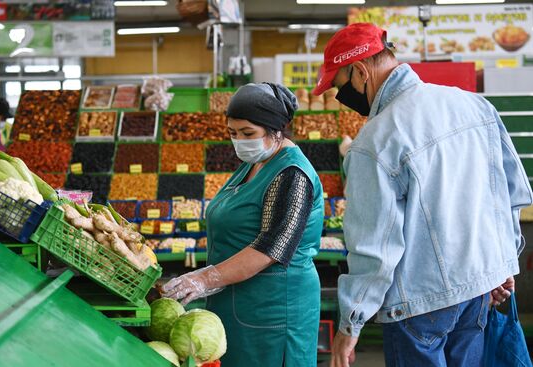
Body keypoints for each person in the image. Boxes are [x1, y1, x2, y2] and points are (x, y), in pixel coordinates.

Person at [312, 23, 533, 367]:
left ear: (359, 72)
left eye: (340, 86)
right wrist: (503, 262)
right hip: (477, 291)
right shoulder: (473, 106)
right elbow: (509, 193)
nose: (343, 100)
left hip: (417, 305)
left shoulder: (374, 142)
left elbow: (375, 246)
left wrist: (350, 324)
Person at [161, 83, 325, 367]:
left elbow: (270, 248)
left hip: (272, 312)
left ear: (277, 130)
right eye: (233, 133)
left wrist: (202, 279)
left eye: (248, 134)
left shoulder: (292, 175)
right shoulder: (255, 163)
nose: (239, 141)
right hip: (240, 302)